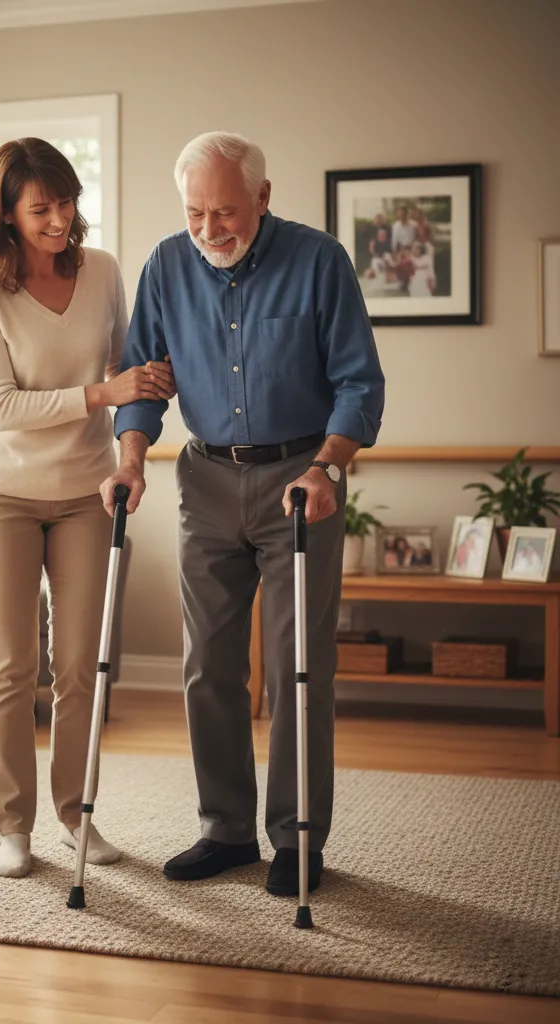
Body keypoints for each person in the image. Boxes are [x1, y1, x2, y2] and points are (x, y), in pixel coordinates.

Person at [100, 131, 385, 898]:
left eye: (224, 211)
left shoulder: (318, 261)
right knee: (208, 665)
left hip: (302, 477)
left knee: (299, 667)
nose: (208, 230)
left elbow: (360, 383)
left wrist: (327, 467)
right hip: (205, 478)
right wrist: (130, 457)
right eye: (195, 213)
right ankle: (225, 828)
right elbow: (146, 380)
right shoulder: (166, 265)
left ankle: (297, 838)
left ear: (262, 197)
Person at [0, 138, 176, 879]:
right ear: (7, 215)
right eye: (39, 208)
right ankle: (12, 828)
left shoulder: (104, 271)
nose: (58, 220)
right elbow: (1, 407)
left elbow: (124, 368)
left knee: (82, 666)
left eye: (66, 203)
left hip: (87, 493)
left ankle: (76, 817)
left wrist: (131, 431)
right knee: (10, 665)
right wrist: (101, 394)